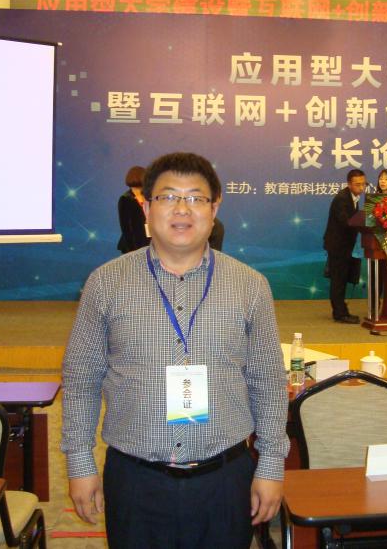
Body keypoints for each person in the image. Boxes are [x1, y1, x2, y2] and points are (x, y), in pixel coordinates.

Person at [62, 152, 288, 549]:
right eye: (168, 197)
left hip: (225, 479)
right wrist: (80, 463)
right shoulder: (106, 283)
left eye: (196, 198)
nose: (182, 209)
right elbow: (82, 379)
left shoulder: (250, 286)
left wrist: (270, 465)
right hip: (135, 480)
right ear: (146, 207)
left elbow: (267, 382)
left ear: (214, 208)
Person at [323, 168, 366, 324]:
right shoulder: (342, 199)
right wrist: (365, 223)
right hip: (337, 245)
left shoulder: (353, 197)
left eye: (363, 184)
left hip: (345, 245)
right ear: (349, 184)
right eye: (357, 184)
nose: (361, 187)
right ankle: (340, 313)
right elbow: (346, 221)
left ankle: (341, 310)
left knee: (342, 278)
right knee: (338, 280)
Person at [116, 165, 149, 253]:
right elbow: (126, 228)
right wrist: (132, 250)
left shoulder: (149, 196)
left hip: (148, 242)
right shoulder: (125, 199)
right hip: (132, 245)